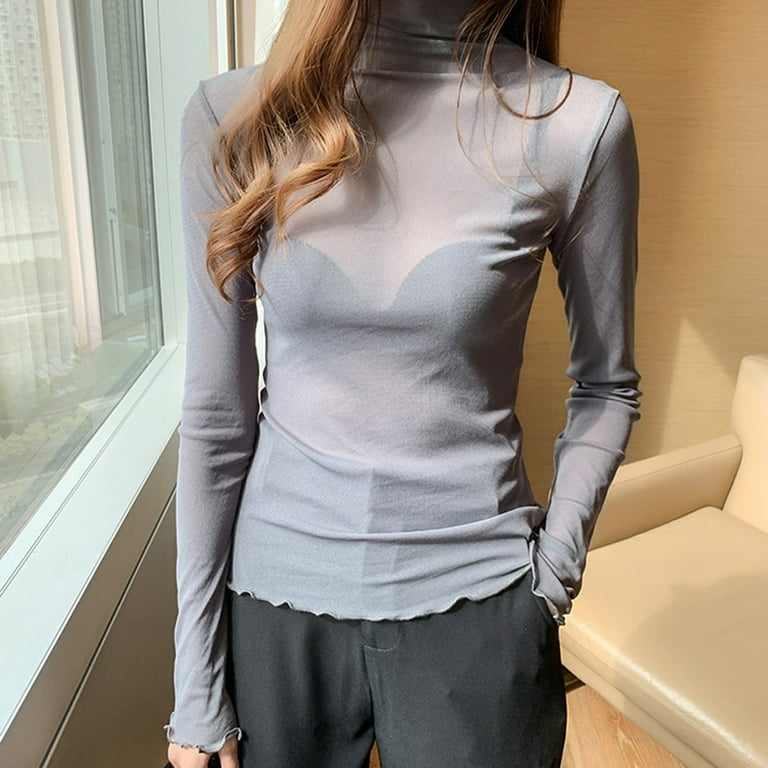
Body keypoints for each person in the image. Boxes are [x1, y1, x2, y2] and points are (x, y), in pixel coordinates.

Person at [165, 0, 640, 766]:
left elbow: (607, 387)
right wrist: (197, 682)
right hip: (274, 615)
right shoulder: (233, 118)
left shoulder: (577, 126)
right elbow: (218, 415)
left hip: (480, 603)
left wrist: (552, 576)